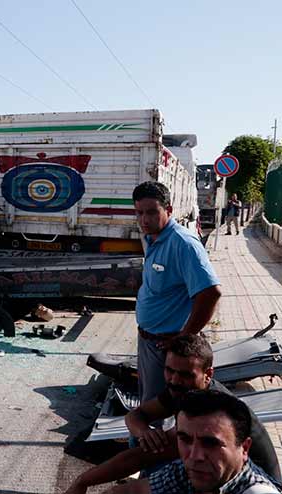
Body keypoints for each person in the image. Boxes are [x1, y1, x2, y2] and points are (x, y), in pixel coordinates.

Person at [64, 335, 280, 493]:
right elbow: (135, 416)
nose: (174, 380)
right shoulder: (183, 392)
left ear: (208, 374)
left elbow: (138, 457)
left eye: (185, 374)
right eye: (169, 371)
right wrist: (143, 432)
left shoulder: (211, 411)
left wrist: (82, 481)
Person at [132, 182, 221, 403]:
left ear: (168, 210)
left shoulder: (183, 243)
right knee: (148, 400)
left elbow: (211, 293)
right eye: (140, 213)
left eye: (152, 212)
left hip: (167, 347)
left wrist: (185, 337)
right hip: (148, 341)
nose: (144, 219)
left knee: (157, 411)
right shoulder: (152, 238)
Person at [108, 390, 282, 493]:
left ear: (244, 448)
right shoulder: (191, 471)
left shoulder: (256, 491)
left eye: (211, 443)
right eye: (185, 439)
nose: (195, 455)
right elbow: (132, 490)